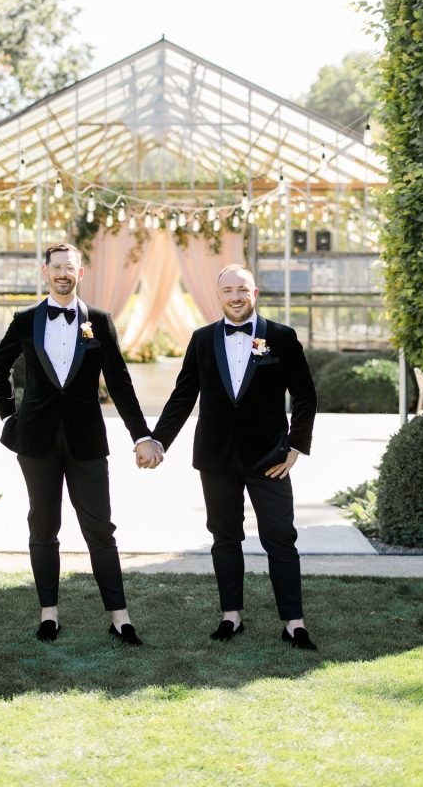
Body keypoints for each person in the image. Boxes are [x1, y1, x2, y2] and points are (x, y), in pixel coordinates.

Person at [0, 242, 163, 646]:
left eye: (71, 267)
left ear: (80, 273)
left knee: (100, 529)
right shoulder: (25, 319)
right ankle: (48, 613)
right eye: (58, 267)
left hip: (87, 441)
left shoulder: (99, 321)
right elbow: (0, 368)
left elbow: (120, 382)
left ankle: (119, 617)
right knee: (44, 525)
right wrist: (8, 418)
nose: (64, 273)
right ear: (45, 272)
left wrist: (141, 435)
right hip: (36, 441)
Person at [151, 263, 318, 649]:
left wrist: (296, 446)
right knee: (224, 538)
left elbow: (306, 396)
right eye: (228, 291)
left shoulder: (282, 336)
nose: (236, 297)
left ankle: (294, 622)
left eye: (242, 290)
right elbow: (182, 396)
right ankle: (232, 617)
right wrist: (158, 441)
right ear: (218, 296)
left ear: (255, 293)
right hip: (216, 457)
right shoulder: (201, 339)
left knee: (280, 538)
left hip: (270, 459)